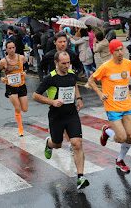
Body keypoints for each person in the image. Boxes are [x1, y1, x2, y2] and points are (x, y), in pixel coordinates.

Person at [32, 51, 89, 189]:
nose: (67, 65)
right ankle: (49, 143)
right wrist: (52, 102)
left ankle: (80, 177)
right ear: (56, 63)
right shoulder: (50, 78)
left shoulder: (71, 74)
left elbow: (73, 84)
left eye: (68, 62)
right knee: (57, 144)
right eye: (63, 63)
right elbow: (35, 96)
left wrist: (79, 98)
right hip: (56, 116)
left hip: (71, 114)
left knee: (77, 143)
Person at [88, 39, 131, 173]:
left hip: (126, 105)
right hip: (112, 106)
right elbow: (91, 80)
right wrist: (100, 93)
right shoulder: (105, 67)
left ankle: (119, 160)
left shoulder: (128, 63)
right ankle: (107, 131)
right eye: (117, 50)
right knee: (121, 138)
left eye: (121, 49)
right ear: (112, 52)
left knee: (130, 136)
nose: (120, 53)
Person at [0, 40, 28, 137]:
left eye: (13, 47)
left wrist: (25, 72)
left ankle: (19, 120)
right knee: (17, 107)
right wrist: (1, 78)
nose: (11, 50)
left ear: (15, 48)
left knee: (25, 109)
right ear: (6, 49)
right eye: (9, 48)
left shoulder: (21, 58)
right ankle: (20, 128)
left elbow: (26, 66)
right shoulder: (3, 61)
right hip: (11, 87)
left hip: (21, 85)